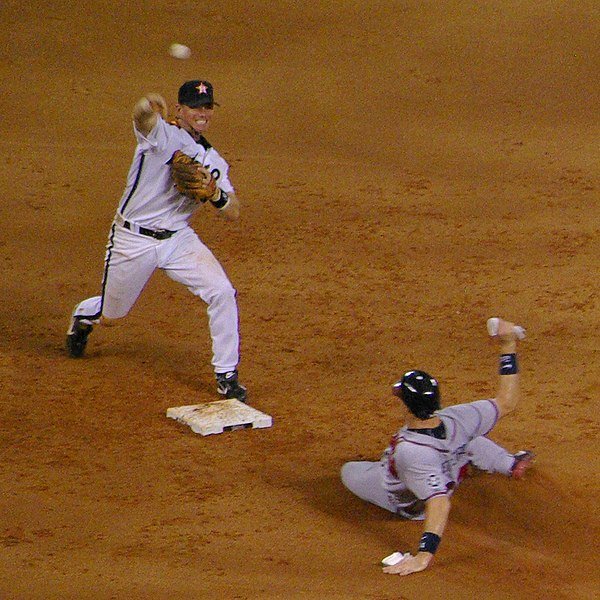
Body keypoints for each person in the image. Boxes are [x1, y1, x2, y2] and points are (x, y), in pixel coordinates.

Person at [66, 80, 247, 402]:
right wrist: (147, 104)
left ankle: (226, 375)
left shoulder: (214, 161)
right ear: (180, 110)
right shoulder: (162, 135)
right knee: (112, 314)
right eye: (194, 107)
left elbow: (233, 210)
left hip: (178, 239)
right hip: (133, 239)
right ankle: (85, 315)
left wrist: (216, 194)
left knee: (221, 291)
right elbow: (141, 119)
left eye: (207, 107)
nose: (202, 113)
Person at [340, 317, 534, 576]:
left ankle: (412, 503)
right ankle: (508, 463)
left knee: (348, 471)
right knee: (467, 438)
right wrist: (508, 346)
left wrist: (423, 556)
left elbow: (439, 503)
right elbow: (507, 401)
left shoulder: (411, 451)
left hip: (407, 501)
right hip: (445, 462)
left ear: (407, 406)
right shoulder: (458, 417)